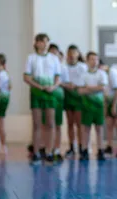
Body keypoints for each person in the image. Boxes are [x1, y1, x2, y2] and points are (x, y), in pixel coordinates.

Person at [24, 33, 61, 165]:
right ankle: (36, 152)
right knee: (37, 124)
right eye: (42, 42)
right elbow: (26, 77)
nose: (44, 44)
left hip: (50, 93)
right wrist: (39, 86)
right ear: (37, 43)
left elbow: (58, 78)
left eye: (46, 42)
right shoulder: (31, 58)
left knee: (51, 123)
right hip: (36, 92)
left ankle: (49, 152)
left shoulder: (54, 58)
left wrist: (53, 87)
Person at [78, 52, 107, 161]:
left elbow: (103, 88)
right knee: (86, 129)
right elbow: (80, 91)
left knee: (99, 128)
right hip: (86, 105)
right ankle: (84, 150)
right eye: (91, 59)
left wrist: (88, 88)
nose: (94, 61)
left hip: (98, 105)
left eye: (96, 59)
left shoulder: (101, 74)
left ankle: (100, 150)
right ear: (87, 61)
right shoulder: (83, 75)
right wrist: (96, 88)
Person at [61, 45, 87, 158]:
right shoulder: (63, 67)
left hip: (79, 96)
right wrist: (67, 85)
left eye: (74, 52)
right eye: (70, 52)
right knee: (70, 123)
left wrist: (77, 86)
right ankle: (72, 147)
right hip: (67, 95)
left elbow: (86, 81)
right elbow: (60, 82)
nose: (72, 55)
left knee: (79, 123)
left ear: (78, 54)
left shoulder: (83, 67)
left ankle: (82, 147)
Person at [0, 54, 11, 155]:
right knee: (0, 123)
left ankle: (3, 145)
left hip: (0, 99)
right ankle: (2, 145)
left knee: (0, 124)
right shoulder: (5, 73)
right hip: (4, 98)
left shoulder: (1, 74)